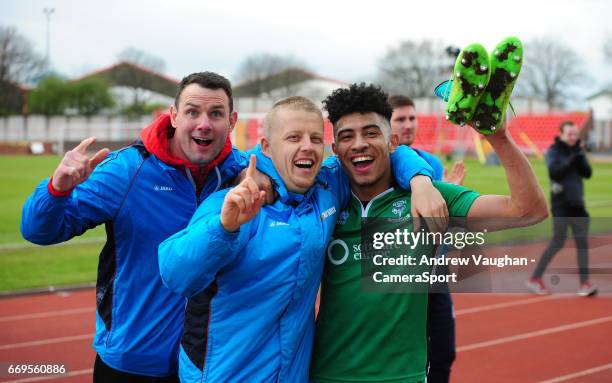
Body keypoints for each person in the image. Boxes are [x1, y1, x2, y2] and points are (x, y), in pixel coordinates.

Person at [157, 95, 445, 382]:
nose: (306, 146)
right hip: (225, 375)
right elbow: (176, 274)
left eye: (315, 138)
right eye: (293, 137)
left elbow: (388, 151)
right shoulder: (236, 202)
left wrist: (420, 179)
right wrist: (223, 228)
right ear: (267, 147)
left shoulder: (327, 187)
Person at [20, 72, 258, 382]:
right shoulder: (127, 170)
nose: (204, 123)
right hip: (133, 364)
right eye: (192, 111)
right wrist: (57, 189)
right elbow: (40, 231)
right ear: (173, 116)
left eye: (216, 114)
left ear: (232, 120)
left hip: (208, 368)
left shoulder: (244, 172)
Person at [310, 83, 548, 383]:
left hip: (403, 377)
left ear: (392, 141)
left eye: (371, 133)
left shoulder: (431, 198)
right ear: (335, 150)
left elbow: (528, 210)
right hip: (327, 376)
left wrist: (497, 137)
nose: (358, 144)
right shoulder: (322, 202)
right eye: (347, 136)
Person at [388, 94, 465, 383]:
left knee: (444, 353)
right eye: (400, 119)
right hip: (399, 279)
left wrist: (451, 197)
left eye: (412, 118)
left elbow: (441, 225)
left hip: (435, 274)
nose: (408, 124)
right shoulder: (379, 166)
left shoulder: (431, 162)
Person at [527, 121, 596, 296]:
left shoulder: (577, 151)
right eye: (570, 134)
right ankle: (535, 278)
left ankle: (585, 284)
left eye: (575, 134)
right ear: (562, 134)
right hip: (561, 205)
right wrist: (572, 158)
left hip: (578, 204)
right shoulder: (554, 151)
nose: (573, 137)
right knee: (558, 241)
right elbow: (554, 172)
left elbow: (588, 174)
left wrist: (580, 157)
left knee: (582, 243)